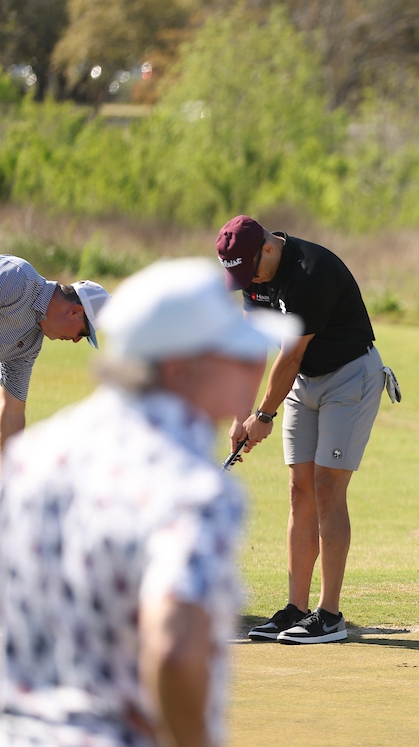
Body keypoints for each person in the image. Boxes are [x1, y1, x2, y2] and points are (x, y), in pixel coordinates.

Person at [0, 258, 295, 747]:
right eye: (234, 356)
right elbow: (176, 649)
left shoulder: (28, 462)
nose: (249, 369)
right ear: (182, 367)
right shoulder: (193, 490)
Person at [216, 215, 390, 644]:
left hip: (349, 377)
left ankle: (329, 615)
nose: (249, 281)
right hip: (301, 383)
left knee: (328, 487)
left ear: (269, 249)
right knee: (300, 490)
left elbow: (290, 355)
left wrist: (265, 415)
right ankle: (295, 607)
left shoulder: (313, 271)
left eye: (250, 270)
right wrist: (243, 414)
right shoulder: (255, 279)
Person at [0, 254, 110, 452]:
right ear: (75, 311)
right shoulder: (18, 278)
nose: (76, 340)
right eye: (83, 333)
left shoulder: (30, 344)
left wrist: (9, 472)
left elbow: (13, 410)